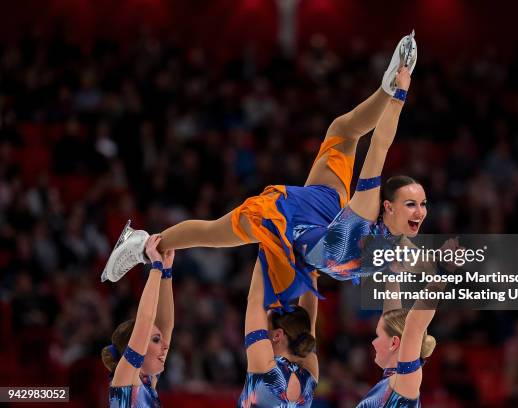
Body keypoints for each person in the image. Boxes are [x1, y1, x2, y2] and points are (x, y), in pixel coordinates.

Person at [101, 32, 418, 312]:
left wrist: (400, 96)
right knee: (343, 133)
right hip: (327, 217)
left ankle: (141, 244)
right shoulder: (383, 248)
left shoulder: (364, 237)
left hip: (289, 221)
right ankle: (385, 88)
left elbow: (379, 148)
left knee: (214, 233)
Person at [101, 235, 175, 408]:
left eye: (158, 340)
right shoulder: (124, 380)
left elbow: (165, 325)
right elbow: (145, 321)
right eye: (156, 340)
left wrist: (166, 270)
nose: (165, 346)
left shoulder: (145, 383)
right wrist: (156, 267)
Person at [238, 257, 319, 407]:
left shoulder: (265, 370)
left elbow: (256, 299)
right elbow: (256, 300)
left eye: (265, 326)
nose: (262, 329)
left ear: (278, 335)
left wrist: (268, 245)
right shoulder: (308, 373)